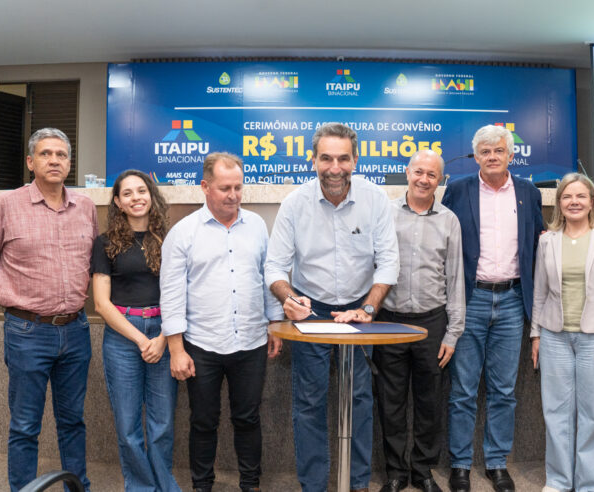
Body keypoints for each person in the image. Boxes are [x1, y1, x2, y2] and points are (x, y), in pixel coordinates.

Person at [264, 122, 399, 492]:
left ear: (355, 160)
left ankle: (357, 484)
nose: (334, 167)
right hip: (312, 311)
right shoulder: (295, 203)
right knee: (308, 402)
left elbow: (388, 263)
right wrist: (287, 298)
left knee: (359, 399)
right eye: (326, 158)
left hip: (359, 310)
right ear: (313, 160)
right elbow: (274, 266)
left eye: (343, 158)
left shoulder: (375, 200)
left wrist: (368, 309)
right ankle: (314, 485)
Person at [0, 128, 98, 491]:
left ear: (70, 163)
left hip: (76, 330)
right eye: (45, 154)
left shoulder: (86, 207)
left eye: (61, 155)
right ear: (31, 162)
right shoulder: (6, 205)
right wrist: (11, 304)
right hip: (27, 333)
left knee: (72, 421)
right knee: (25, 425)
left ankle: (77, 487)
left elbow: (92, 263)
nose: (54, 160)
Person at [160, 152, 283, 492]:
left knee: (248, 418)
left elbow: (267, 277)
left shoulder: (257, 226)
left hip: (251, 343)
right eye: (225, 188)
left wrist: (275, 323)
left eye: (238, 187)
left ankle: (250, 484)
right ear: (205, 187)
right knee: (203, 421)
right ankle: (202, 486)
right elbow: (171, 294)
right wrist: (175, 349)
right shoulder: (183, 233)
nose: (233, 195)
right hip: (202, 345)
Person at [441, 124, 544, 492]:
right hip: (471, 298)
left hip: (514, 300)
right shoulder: (458, 190)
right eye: (484, 152)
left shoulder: (529, 193)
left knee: (504, 390)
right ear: (477, 156)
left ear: (510, 155)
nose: (491, 157)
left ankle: (497, 462)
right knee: (463, 389)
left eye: (498, 151)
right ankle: (460, 465)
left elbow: (537, 245)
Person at [373, 150, 465, 492]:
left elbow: (455, 279)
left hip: (432, 322)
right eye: (419, 172)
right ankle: (396, 472)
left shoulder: (449, 220)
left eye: (432, 175)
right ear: (407, 173)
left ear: (440, 181)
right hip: (390, 322)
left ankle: (422, 470)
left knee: (430, 402)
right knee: (391, 401)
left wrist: (453, 333)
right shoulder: (386, 213)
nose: (425, 179)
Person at [531, 173, 594, 492]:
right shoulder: (548, 240)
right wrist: (536, 335)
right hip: (554, 336)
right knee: (556, 413)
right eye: (567, 197)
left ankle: (587, 484)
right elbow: (539, 292)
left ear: (591, 202)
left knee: (593, 415)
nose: (574, 202)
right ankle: (559, 481)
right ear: (559, 203)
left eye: (580, 196)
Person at [91, 169, 181, 491]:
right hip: (123, 337)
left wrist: (161, 339)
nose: (136, 198)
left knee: (163, 424)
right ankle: (142, 488)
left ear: (151, 195)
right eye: (127, 193)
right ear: (117, 201)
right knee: (128, 426)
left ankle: (164, 485)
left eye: (141, 191)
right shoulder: (105, 244)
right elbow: (101, 303)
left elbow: (180, 293)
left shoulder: (170, 239)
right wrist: (142, 339)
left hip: (164, 332)